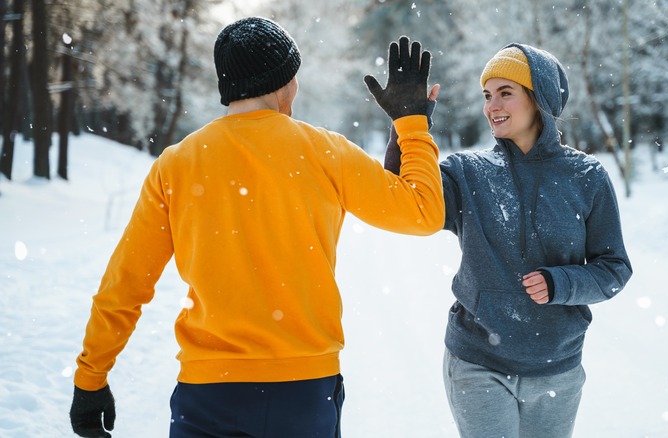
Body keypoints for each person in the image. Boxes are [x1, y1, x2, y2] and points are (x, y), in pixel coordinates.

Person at [68, 17, 444, 438]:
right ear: (285, 83)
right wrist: (412, 125)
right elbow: (424, 212)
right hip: (303, 392)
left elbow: (127, 283)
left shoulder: (177, 163)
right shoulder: (326, 151)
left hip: (208, 395)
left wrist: (90, 379)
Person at [384, 43, 632, 437]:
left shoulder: (585, 176)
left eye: (505, 93)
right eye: (487, 95)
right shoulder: (467, 172)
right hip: (477, 361)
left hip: (557, 367)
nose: (491, 106)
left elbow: (614, 268)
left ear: (539, 99)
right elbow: (404, 195)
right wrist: (407, 125)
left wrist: (561, 283)